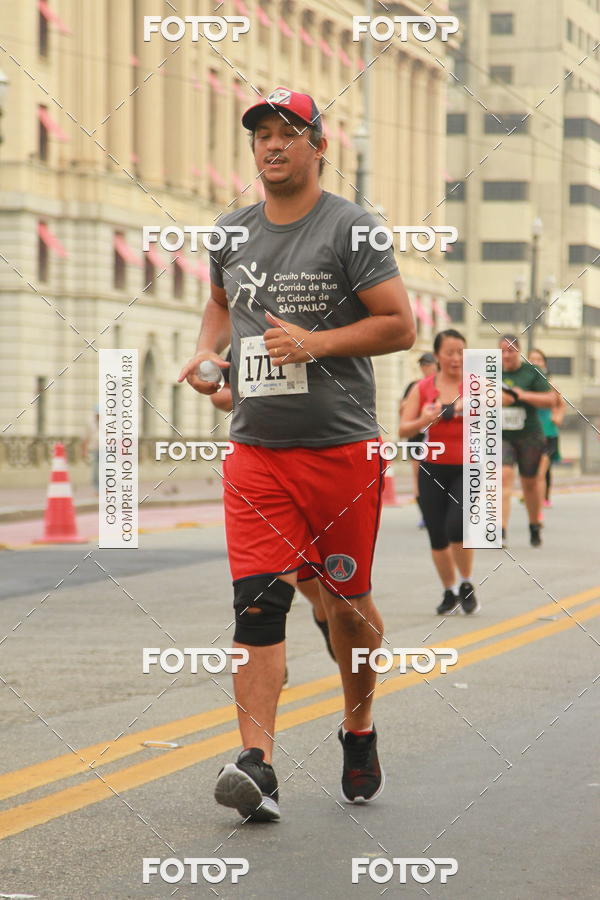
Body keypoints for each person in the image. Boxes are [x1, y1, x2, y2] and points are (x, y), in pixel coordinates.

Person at [179, 87, 415, 822]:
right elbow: (220, 303)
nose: (272, 146)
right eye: (261, 136)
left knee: (347, 605)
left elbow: (399, 325)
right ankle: (258, 765)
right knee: (258, 604)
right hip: (256, 450)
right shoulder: (230, 232)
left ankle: (358, 725)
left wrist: (314, 343)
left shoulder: (354, 229)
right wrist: (205, 353)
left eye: (288, 133)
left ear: (320, 145)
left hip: (341, 448)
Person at [209, 357, 336, 671]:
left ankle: (326, 613)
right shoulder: (245, 328)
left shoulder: (320, 320)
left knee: (313, 569)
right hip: (261, 462)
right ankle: (269, 647)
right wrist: (256, 394)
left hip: (324, 459)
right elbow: (219, 392)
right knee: (264, 593)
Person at [399, 329, 479, 615]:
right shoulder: (422, 389)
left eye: (461, 352)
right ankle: (450, 589)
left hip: (467, 467)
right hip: (432, 467)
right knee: (437, 534)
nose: (456, 358)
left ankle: (467, 582)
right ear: (438, 355)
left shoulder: (477, 386)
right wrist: (425, 418)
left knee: (456, 527)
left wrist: (463, 408)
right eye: (449, 352)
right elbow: (404, 428)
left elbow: (495, 405)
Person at [500, 335, 554, 547]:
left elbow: (550, 400)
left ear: (519, 351)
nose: (507, 355)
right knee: (502, 477)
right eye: (503, 351)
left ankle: (534, 524)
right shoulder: (491, 372)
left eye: (511, 350)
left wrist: (521, 396)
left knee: (529, 484)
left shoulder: (531, 372)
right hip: (502, 435)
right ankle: (500, 530)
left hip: (529, 435)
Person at [399, 352, 438, 527]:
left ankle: (439, 510)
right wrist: (408, 405)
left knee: (435, 474)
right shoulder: (414, 386)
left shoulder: (441, 385)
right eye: (423, 365)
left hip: (436, 436)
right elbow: (403, 411)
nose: (425, 368)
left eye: (428, 364)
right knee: (418, 476)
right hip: (417, 435)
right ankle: (425, 515)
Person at [527, 349, 566, 513]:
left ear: (544, 364)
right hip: (529, 434)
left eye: (539, 360)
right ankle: (534, 496)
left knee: (542, 471)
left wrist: (557, 417)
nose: (535, 363)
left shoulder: (550, 385)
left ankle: (541, 502)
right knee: (533, 470)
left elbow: (561, 404)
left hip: (549, 434)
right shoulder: (524, 386)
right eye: (532, 360)